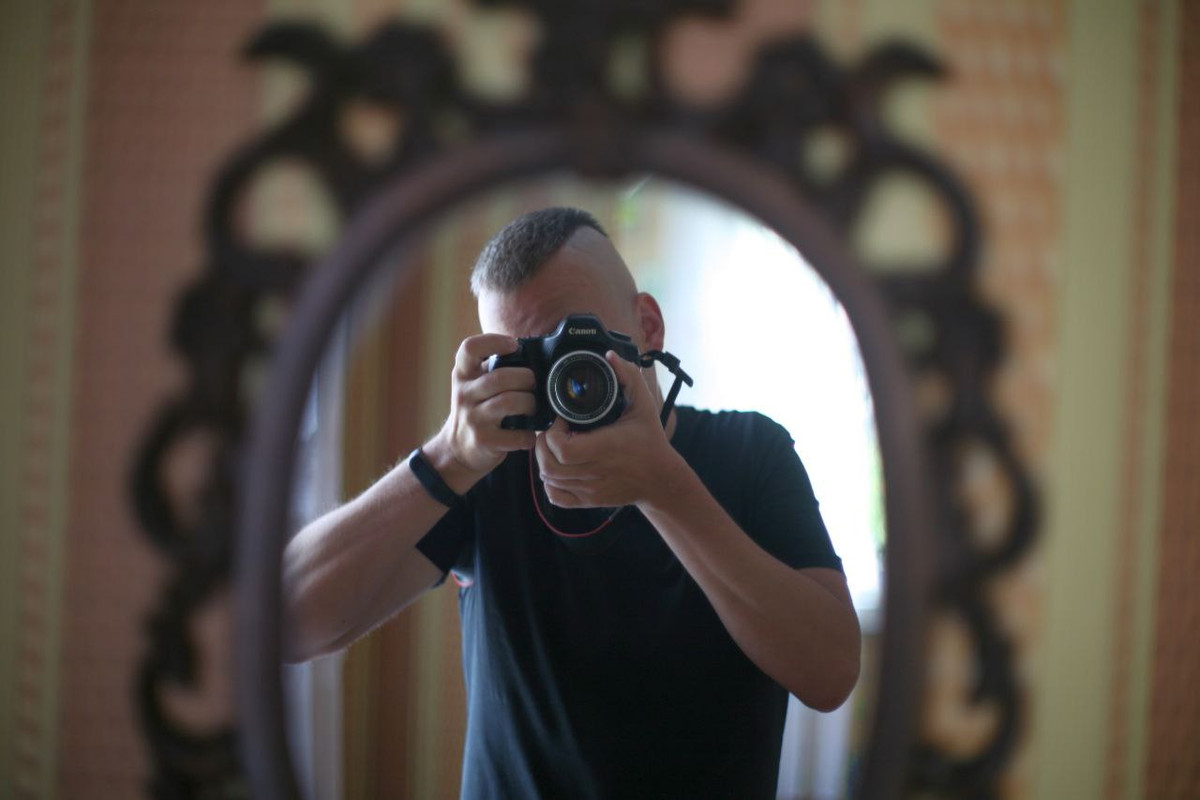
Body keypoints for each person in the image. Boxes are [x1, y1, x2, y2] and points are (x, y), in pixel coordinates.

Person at [283, 207, 861, 799]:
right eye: (530, 360)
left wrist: (664, 488)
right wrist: (448, 457)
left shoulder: (751, 451)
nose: (564, 378)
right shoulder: (492, 468)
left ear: (648, 327)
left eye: (575, 342)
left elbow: (830, 673)